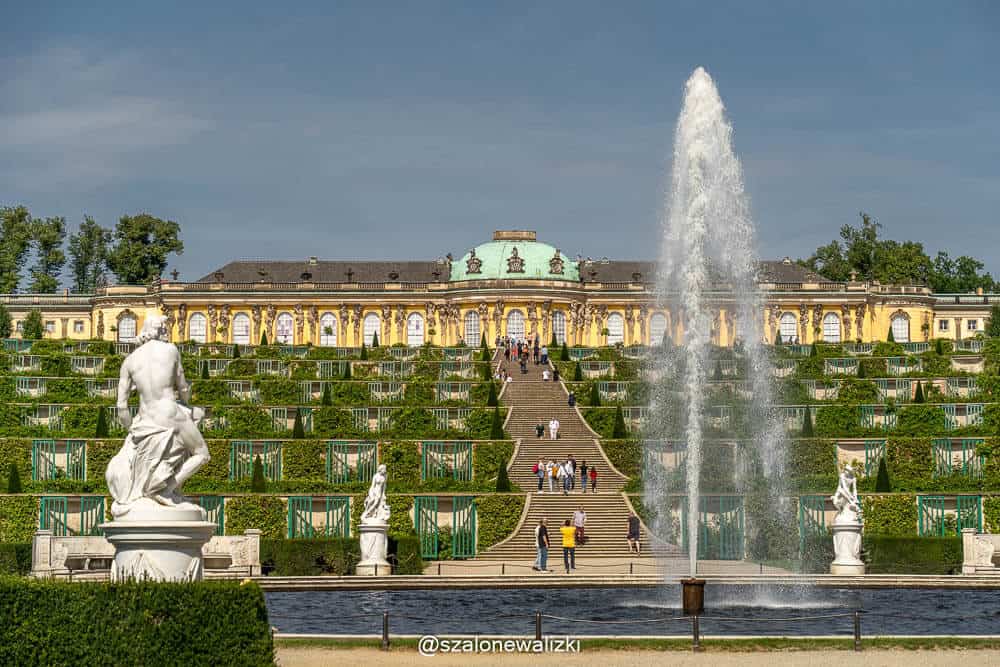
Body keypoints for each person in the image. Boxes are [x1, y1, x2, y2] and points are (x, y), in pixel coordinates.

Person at [106, 315, 210, 516]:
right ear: (162, 330)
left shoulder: (129, 361)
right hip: (169, 411)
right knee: (202, 454)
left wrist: (133, 432)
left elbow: (121, 406)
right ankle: (166, 489)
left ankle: (161, 485)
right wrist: (187, 401)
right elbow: (182, 387)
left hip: (145, 419)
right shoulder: (170, 350)